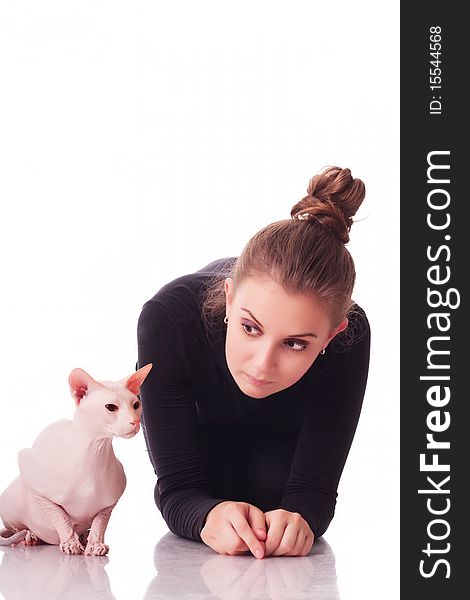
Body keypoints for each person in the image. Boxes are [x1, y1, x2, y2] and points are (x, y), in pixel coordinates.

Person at [137, 165, 370, 560]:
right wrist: (205, 514)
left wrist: (301, 519)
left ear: (332, 336)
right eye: (249, 327)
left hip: (282, 442)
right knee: (222, 482)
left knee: (271, 488)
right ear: (229, 299)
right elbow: (178, 489)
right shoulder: (169, 319)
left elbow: (313, 491)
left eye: (295, 343)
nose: (262, 366)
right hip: (207, 438)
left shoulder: (351, 337)